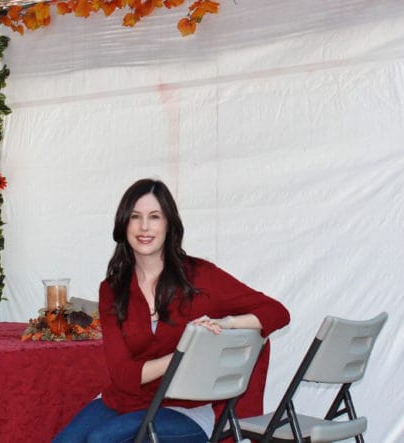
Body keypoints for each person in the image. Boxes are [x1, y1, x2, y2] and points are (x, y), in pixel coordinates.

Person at [53, 178, 290, 442]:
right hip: (125, 399)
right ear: (124, 224)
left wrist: (226, 324)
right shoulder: (112, 288)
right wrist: (187, 352)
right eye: (135, 217)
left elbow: (276, 312)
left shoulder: (201, 276)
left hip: (186, 407)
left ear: (169, 224)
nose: (144, 227)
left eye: (155, 217)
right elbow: (123, 375)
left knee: (103, 439)